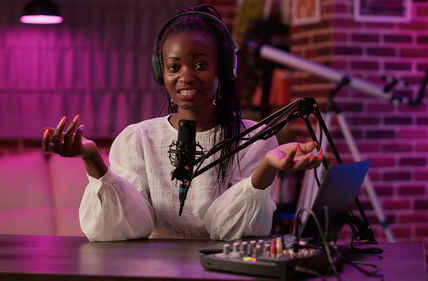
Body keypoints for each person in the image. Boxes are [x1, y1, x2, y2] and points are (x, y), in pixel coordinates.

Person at [42, 4, 323, 241]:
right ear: (160, 72)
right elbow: (124, 227)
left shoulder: (255, 139)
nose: (185, 77)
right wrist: (93, 161)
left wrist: (266, 168)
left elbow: (225, 229)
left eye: (200, 65)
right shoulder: (137, 139)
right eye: (174, 67)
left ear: (224, 69)